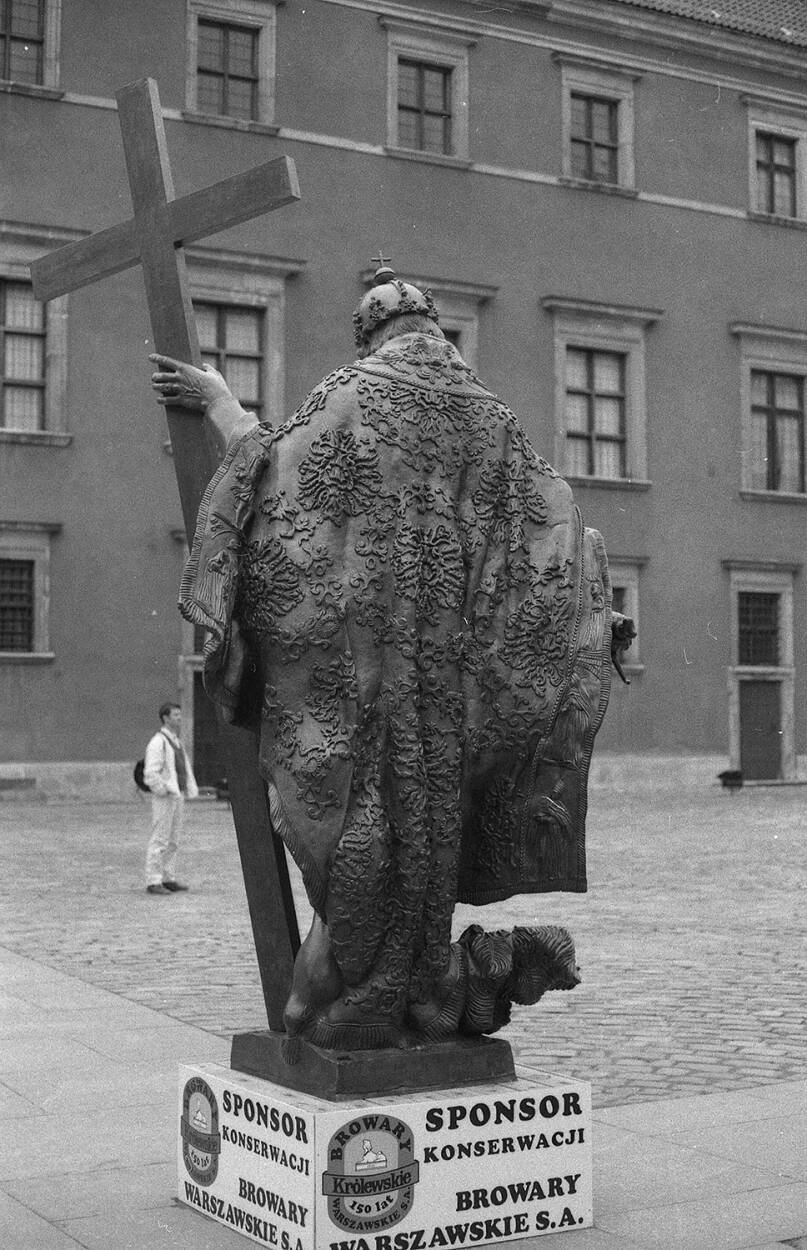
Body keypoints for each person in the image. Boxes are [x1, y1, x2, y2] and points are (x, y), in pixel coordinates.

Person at [150, 263, 631, 1047]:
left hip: (360, 687)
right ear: (434, 329)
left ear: (368, 332)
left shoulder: (347, 394)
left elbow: (276, 483)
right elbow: (554, 530)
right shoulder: (493, 419)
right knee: (430, 830)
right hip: (453, 699)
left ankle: (408, 985)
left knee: (347, 841)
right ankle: (433, 980)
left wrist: (221, 406)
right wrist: (590, 614)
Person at [142, 701, 198, 894]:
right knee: (160, 838)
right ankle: (154, 880)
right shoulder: (158, 742)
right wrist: (163, 789)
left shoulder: (176, 741)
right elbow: (150, 773)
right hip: (165, 797)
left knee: (174, 839)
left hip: (177, 795)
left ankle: (168, 877)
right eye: (176, 715)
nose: (179, 719)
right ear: (165, 718)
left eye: (180, 715)